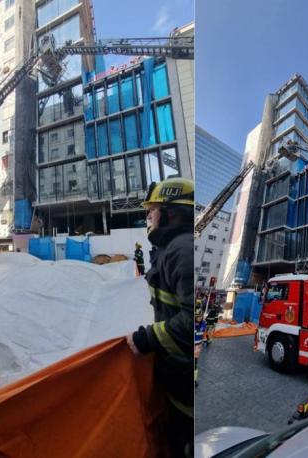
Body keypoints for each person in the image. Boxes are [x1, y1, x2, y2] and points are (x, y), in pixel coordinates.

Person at [125, 177, 194, 457]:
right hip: (176, 382)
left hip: (185, 389)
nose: (148, 216)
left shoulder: (182, 251)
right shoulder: (170, 250)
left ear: (170, 212)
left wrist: (145, 339)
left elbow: (191, 322)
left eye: (152, 210)